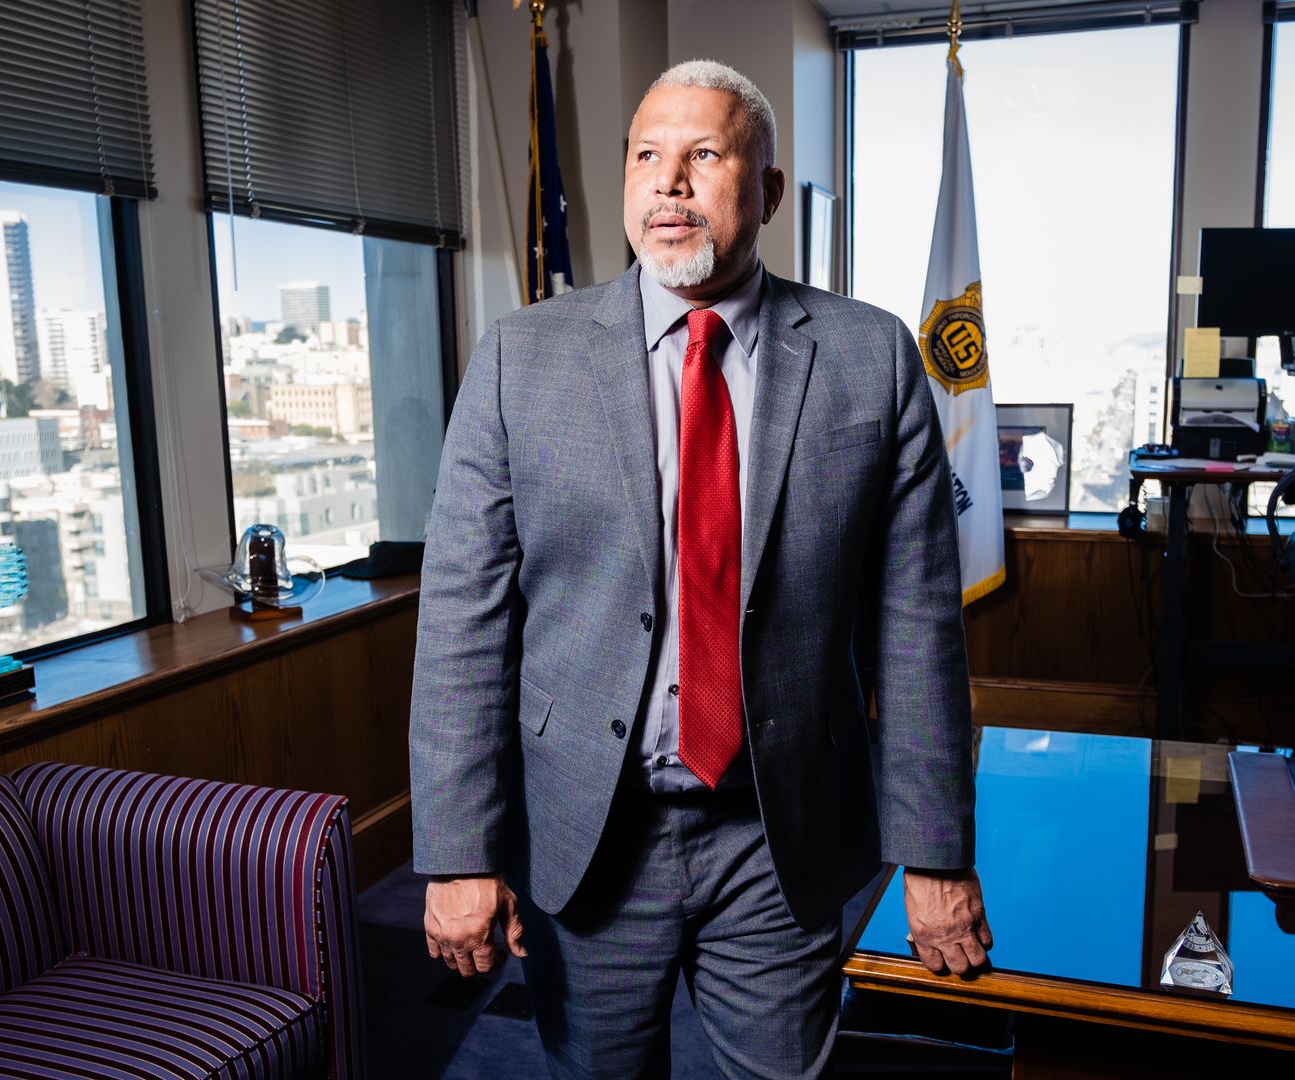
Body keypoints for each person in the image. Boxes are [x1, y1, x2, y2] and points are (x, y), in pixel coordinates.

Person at [410, 59, 990, 1078]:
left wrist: (937, 853)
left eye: (704, 156)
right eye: (646, 157)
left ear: (765, 190)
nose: (668, 185)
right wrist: (461, 852)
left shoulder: (872, 358)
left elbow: (915, 632)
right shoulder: (519, 359)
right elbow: (463, 620)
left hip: (782, 836)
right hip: (588, 836)